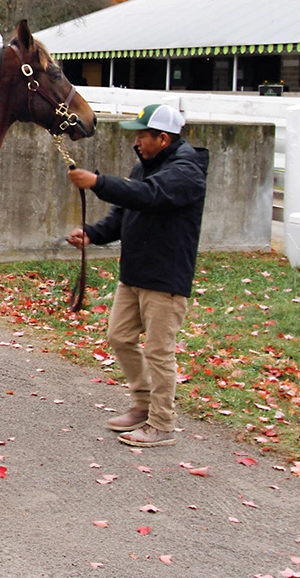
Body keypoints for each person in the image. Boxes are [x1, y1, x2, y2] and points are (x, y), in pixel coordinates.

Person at [65, 103, 209, 449]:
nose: (137, 142)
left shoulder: (186, 172)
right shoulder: (145, 167)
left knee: (160, 351)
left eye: (142, 135)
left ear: (163, 138)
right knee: (120, 336)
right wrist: (93, 233)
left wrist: (98, 182)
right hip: (134, 274)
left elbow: (148, 196)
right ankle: (143, 405)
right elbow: (124, 212)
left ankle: (162, 423)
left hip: (165, 279)